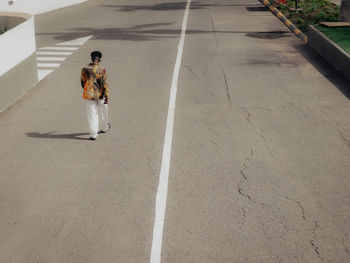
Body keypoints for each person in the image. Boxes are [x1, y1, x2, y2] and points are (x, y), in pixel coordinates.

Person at [81, 51, 110, 140]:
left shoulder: (85, 69)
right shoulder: (102, 69)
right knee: (104, 111)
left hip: (90, 96)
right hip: (101, 95)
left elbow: (82, 82)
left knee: (92, 114)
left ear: (91, 58)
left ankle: (93, 134)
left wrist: (88, 89)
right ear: (99, 59)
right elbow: (105, 83)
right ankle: (105, 127)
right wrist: (107, 95)